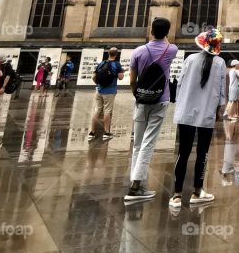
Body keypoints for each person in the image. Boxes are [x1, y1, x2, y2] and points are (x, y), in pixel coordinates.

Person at [170, 28, 226, 209]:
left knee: (183, 153)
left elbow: (180, 84)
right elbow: (221, 93)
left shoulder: (190, 59)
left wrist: (180, 105)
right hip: (207, 114)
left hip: (186, 112)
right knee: (203, 153)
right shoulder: (220, 63)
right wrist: (219, 111)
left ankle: (177, 195)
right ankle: (197, 191)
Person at [126, 17, 178, 203]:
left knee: (138, 144)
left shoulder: (138, 52)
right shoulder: (171, 49)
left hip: (141, 101)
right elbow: (169, 43)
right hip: (160, 99)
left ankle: (136, 183)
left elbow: (132, 80)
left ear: (151, 30)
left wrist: (137, 95)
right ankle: (136, 185)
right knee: (148, 143)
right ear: (167, 32)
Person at [88, 47, 124, 140]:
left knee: (97, 110)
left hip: (99, 90)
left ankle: (92, 133)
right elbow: (121, 77)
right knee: (107, 110)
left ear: (108, 53)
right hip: (110, 91)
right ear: (116, 55)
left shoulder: (102, 63)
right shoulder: (116, 64)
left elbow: (93, 76)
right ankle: (106, 133)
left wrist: (98, 85)